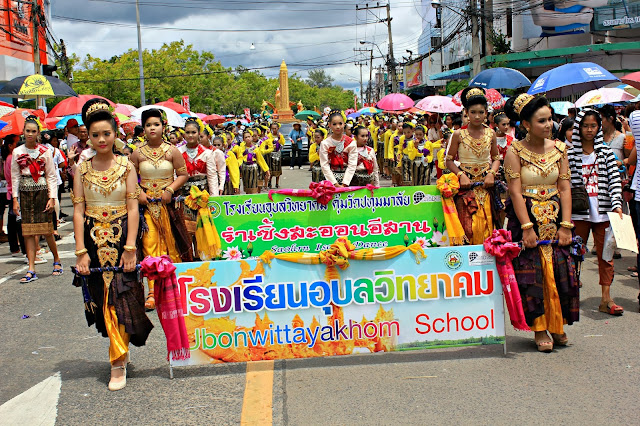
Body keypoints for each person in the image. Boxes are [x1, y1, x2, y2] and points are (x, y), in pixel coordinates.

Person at [72, 98, 153, 391]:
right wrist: (80, 251)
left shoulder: (126, 167)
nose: (101, 139)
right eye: (95, 135)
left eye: (106, 133)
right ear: (88, 136)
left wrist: (131, 246)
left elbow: (134, 208)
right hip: (93, 242)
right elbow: (79, 212)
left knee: (125, 295)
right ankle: (118, 351)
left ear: (115, 133)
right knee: (102, 295)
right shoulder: (80, 169)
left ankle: (117, 363)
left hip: (122, 239)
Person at [503, 93, 579, 352]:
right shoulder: (514, 151)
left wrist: (566, 224)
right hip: (528, 217)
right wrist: (525, 227)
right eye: (541, 121)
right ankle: (539, 328)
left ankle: (558, 323)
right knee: (532, 274)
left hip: (556, 216)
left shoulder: (560, 149)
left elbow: (566, 188)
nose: (548, 125)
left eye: (550, 120)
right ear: (525, 124)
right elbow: (514, 191)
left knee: (561, 272)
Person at [130, 108, 192, 310]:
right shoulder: (137, 153)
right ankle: (151, 292)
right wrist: (139, 193)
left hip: (168, 206)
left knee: (172, 245)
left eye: (156, 124)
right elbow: (130, 177)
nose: (152, 128)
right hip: (147, 207)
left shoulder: (172, 151)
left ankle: (176, 290)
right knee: (149, 245)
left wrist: (170, 189)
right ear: (143, 129)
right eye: (148, 125)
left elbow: (183, 175)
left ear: (163, 127)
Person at [567, 108, 624, 316]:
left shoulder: (606, 152)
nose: (589, 130)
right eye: (585, 126)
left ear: (598, 127)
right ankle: (570, 296)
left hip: (604, 212)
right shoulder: (570, 153)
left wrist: (617, 204)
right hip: (578, 213)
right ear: (579, 128)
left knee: (606, 255)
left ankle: (606, 299)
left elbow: (614, 181)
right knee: (573, 255)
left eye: (593, 126)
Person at [445, 87, 501, 245]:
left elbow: (496, 158)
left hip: (486, 186)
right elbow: (448, 161)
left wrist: (491, 173)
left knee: (489, 225)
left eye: (481, 112)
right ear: (466, 113)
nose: (477, 116)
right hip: (466, 188)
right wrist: (461, 175)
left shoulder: (491, 133)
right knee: (468, 227)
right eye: (473, 112)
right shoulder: (458, 135)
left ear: (486, 113)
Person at [11, 116, 61, 282]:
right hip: (25, 193)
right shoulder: (17, 152)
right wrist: (15, 199)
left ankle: (56, 259)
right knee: (28, 233)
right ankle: (31, 269)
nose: (30, 134)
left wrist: (52, 198)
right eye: (27, 131)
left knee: (47, 231)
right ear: (23, 132)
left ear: (38, 133)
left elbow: (51, 176)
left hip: (42, 192)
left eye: (33, 131)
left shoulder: (45, 151)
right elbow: (15, 177)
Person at [179, 118, 222, 242]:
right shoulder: (178, 152)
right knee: (187, 229)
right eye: (188, 132)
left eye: (193, 132)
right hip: (185, 195)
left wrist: (214, 197)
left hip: (203, 195)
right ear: (184, 134)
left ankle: (201, 257)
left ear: (199, 133)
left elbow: (212, 176)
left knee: (203, 228)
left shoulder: (208, 153)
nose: (191, 135)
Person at [319, 110, 357, 187]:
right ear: (329, 125)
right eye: (334, 124)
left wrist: (345, 184)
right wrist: (335, 184)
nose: (338, 127)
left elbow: (352, 164)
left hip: (349, 179)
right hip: (330, 181)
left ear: (344, 124)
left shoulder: (351, 142)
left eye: (340, 123)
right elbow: (324, 165)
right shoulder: (325, 144)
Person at [240, 129, 270, 194]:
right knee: (247, 187)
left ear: (252, 137)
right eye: (246, 137)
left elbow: (260, 159)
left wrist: (266, 170)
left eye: (249, 136)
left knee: (254, 186)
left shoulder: (255, 148)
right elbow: (239, 159)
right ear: (243, 139)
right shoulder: (241, 148)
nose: (248, 138)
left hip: (253, 169)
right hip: (245, 169)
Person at [266, 122, 284, 188]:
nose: (274, 130)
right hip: (271, 154)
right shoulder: (268, 136)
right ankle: (269, 182)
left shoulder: (280, 135)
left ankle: (277, 183)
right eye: (272, 128)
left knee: (278, 169)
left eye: (275, 128)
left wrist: (280, 138)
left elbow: (283, 143)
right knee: (271, 169)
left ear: (278, 128)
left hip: (278, 153)